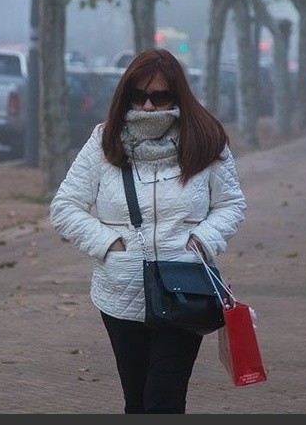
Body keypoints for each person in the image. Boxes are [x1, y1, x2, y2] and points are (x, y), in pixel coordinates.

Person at [49, 48, 247, 414]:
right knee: (137, 401)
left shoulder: (206, 141)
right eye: (138, 95)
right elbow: (65, 207)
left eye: (160, 96)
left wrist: (201, 241)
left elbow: (230, 204)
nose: (148, 106)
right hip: (120, 291)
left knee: (164, 400)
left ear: (178, 95)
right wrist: (109, 243)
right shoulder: (103, 141)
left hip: (185, 290)